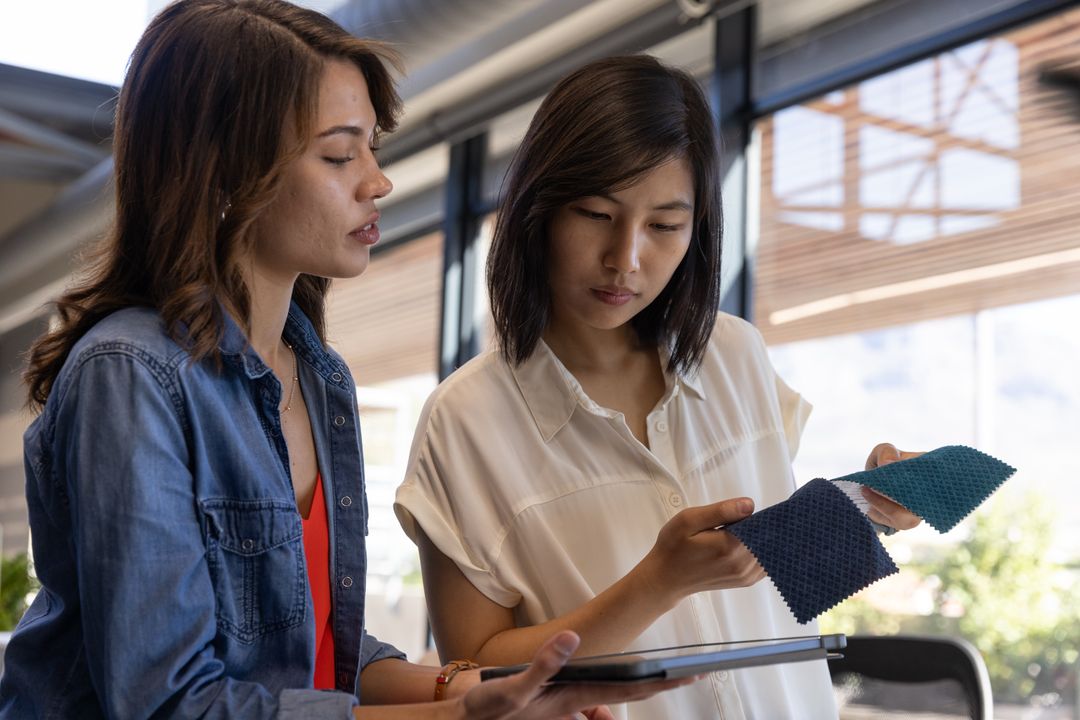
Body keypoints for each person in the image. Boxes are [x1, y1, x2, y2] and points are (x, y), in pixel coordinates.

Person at [0, 3, 697, 718]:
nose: (377, 181)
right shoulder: (130, 375)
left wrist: (475, 687)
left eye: (372, 148)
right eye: (339, 154)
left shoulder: (318, 375)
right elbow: (169, 705)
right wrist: (458, 716)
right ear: (227, 172)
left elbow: (318, 647)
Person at [394, 55, 923, 719]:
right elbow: (474, 680)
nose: (627, 258)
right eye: (594, 213)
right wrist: (656, 583)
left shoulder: (736, 354)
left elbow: (766, 576)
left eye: (665, 226)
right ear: (539, 208)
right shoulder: (465, 419)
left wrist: (869, 507)